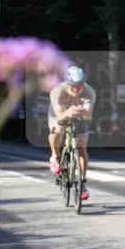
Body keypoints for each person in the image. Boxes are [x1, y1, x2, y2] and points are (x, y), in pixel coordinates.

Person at [48, 66, 96, 201]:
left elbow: (88, 115)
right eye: (73, 85)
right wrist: (69, 112)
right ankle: (55, 156)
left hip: (79, 115)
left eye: (80, 85)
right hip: (59, 113)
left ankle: (82, 184)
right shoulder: (57, 91)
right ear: (66, 83)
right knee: (56, 130)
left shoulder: (89, 92)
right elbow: (60, 115)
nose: (77, 88)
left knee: (81, 148)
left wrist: (83, 111)